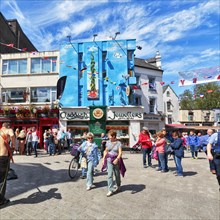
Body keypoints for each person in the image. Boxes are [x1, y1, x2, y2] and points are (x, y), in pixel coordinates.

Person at [102, 130, 124, 197]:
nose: (108, 137)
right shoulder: (108, 142)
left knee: (117, 174)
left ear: (113, 136)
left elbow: (120, 152)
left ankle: (118, 185)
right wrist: (103, 159)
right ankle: (110, 190)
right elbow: (105, 151)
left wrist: (117, 159)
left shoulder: (118, 143)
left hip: (116, 160)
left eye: (109, 136)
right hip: (109, 160)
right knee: (110, 175)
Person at [0, 122, 16, 207]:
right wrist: (13, 145)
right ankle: (1, 200)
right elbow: (12, 135)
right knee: (2, 179)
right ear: (8, 127)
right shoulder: (8, 130)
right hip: (3, 158)